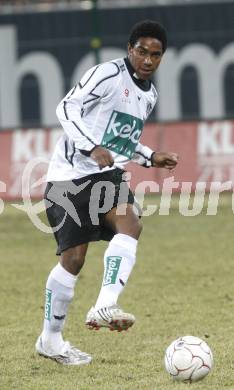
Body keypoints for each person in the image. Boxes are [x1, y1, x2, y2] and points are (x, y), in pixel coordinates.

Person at [35, 19, 179, 366]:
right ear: (130, 49)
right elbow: (66, 107)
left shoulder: (150, 94)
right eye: (141, 51)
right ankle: (50, 340)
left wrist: (149, 157)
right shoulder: (107, 74)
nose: (147, 59)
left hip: (106, 175)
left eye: (155, 55)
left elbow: (121, 139)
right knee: (73, 261)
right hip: (68, 177)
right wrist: (89, 147)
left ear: (161, 58)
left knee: (131, 223)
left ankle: (104, 304)